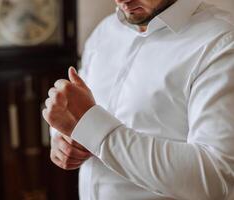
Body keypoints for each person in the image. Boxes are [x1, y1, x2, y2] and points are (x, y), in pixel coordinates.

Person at [42, 0, 234, 199]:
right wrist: (61, 137)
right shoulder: (105, 31)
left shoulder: (221, 44)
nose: (120, 1)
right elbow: (80, 110)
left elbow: (217, 178)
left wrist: (95, 129)